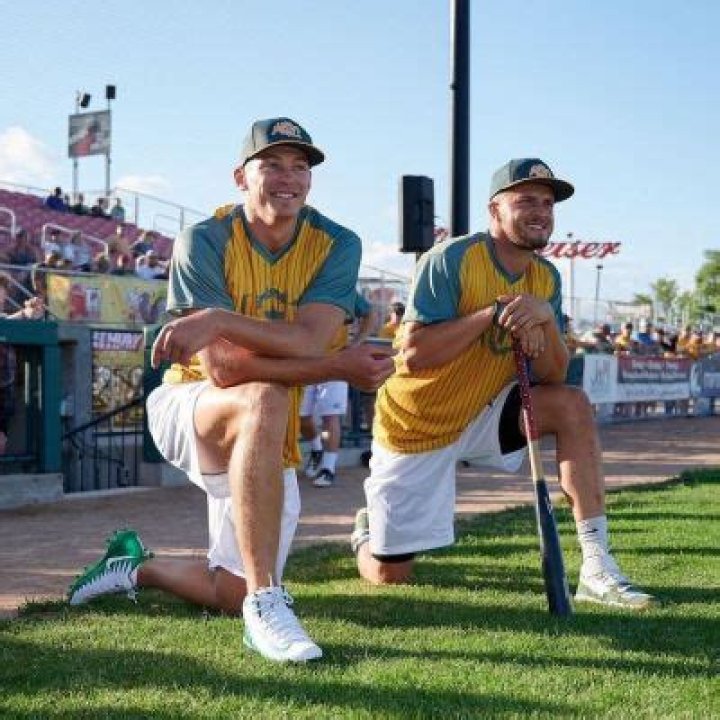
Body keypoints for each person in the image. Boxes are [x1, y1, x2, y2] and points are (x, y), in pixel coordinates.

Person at [67, 116, 395, 663]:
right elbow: (223, 369)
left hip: (266, 424)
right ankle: (268, 604)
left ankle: (137, 567)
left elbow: (310, 339)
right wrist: (338, 366)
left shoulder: (337, 242)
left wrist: (219, 318)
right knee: (263, 394)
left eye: (300, 167)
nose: (288, 178)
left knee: (229, 591)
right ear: (241, 177)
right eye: (272, 165)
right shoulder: (204, 239)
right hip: (191, 403)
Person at [350, 157, 656, 611]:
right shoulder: (450, 259)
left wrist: (545, 318)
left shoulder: (545, 277)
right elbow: (412, 355)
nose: (540, 212)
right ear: (495, 210)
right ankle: (366, 532)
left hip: (486, 410)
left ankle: (597, 566)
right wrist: (492, 314)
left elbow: (553, 375)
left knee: (572, 403)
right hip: (418, 423)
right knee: (389, 575)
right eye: (526, 200)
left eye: (547, 203)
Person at [300, 291, 373, 487]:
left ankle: (328, 468)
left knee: (330, 416)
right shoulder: (302, 283)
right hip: (304, 361)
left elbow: (369, 313)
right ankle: (316, 449)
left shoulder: (344, 288)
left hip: (336, 361)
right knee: (301, 417)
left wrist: (355, 343)